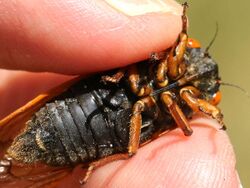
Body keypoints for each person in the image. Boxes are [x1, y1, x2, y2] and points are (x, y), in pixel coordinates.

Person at [0, 0, 241, 187]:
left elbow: (183, 127)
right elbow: (150, 57)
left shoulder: (182, 102)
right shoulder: (162, 62)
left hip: (113, 127)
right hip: (95, 98)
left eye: (213, 101)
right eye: (189, 46)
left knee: (133, 150)